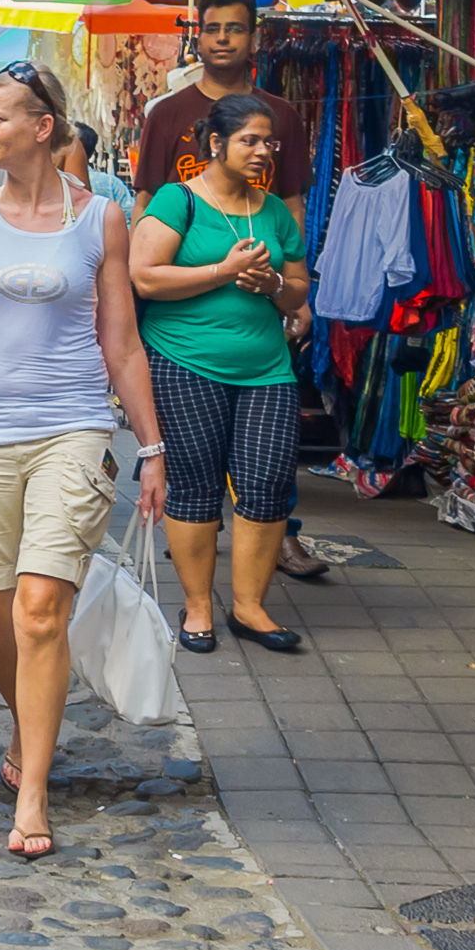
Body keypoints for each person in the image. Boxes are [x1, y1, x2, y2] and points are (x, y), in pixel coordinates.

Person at [0, 60, 172, 860]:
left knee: (40, 606)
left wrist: (149, 447)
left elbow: (121, 344)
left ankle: (36, 787)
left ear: (43, 127)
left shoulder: (101, 219)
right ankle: (30, 718)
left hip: (73, 430)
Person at [128, 91, 311, 658]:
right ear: (216, 143)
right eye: (249, 140)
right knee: (195, 485)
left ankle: (251, 607)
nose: (262, 152)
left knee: (266, 484)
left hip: (266, 369)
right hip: (185, 363)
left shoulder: (274, 210)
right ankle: (199, 604)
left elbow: (301, 288)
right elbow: (145, 277)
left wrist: (274, 287)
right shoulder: (177, 200)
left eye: (269, 142)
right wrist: (224, 271)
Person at [131, 0, 317, 201]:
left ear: (253, 40)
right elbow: (145, 202)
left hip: (261, 235)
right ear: (199, 40)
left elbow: (292, 203)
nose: (222, 38)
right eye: (212, 29)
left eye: (234, 29)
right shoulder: (165, 114)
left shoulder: (282, 115)